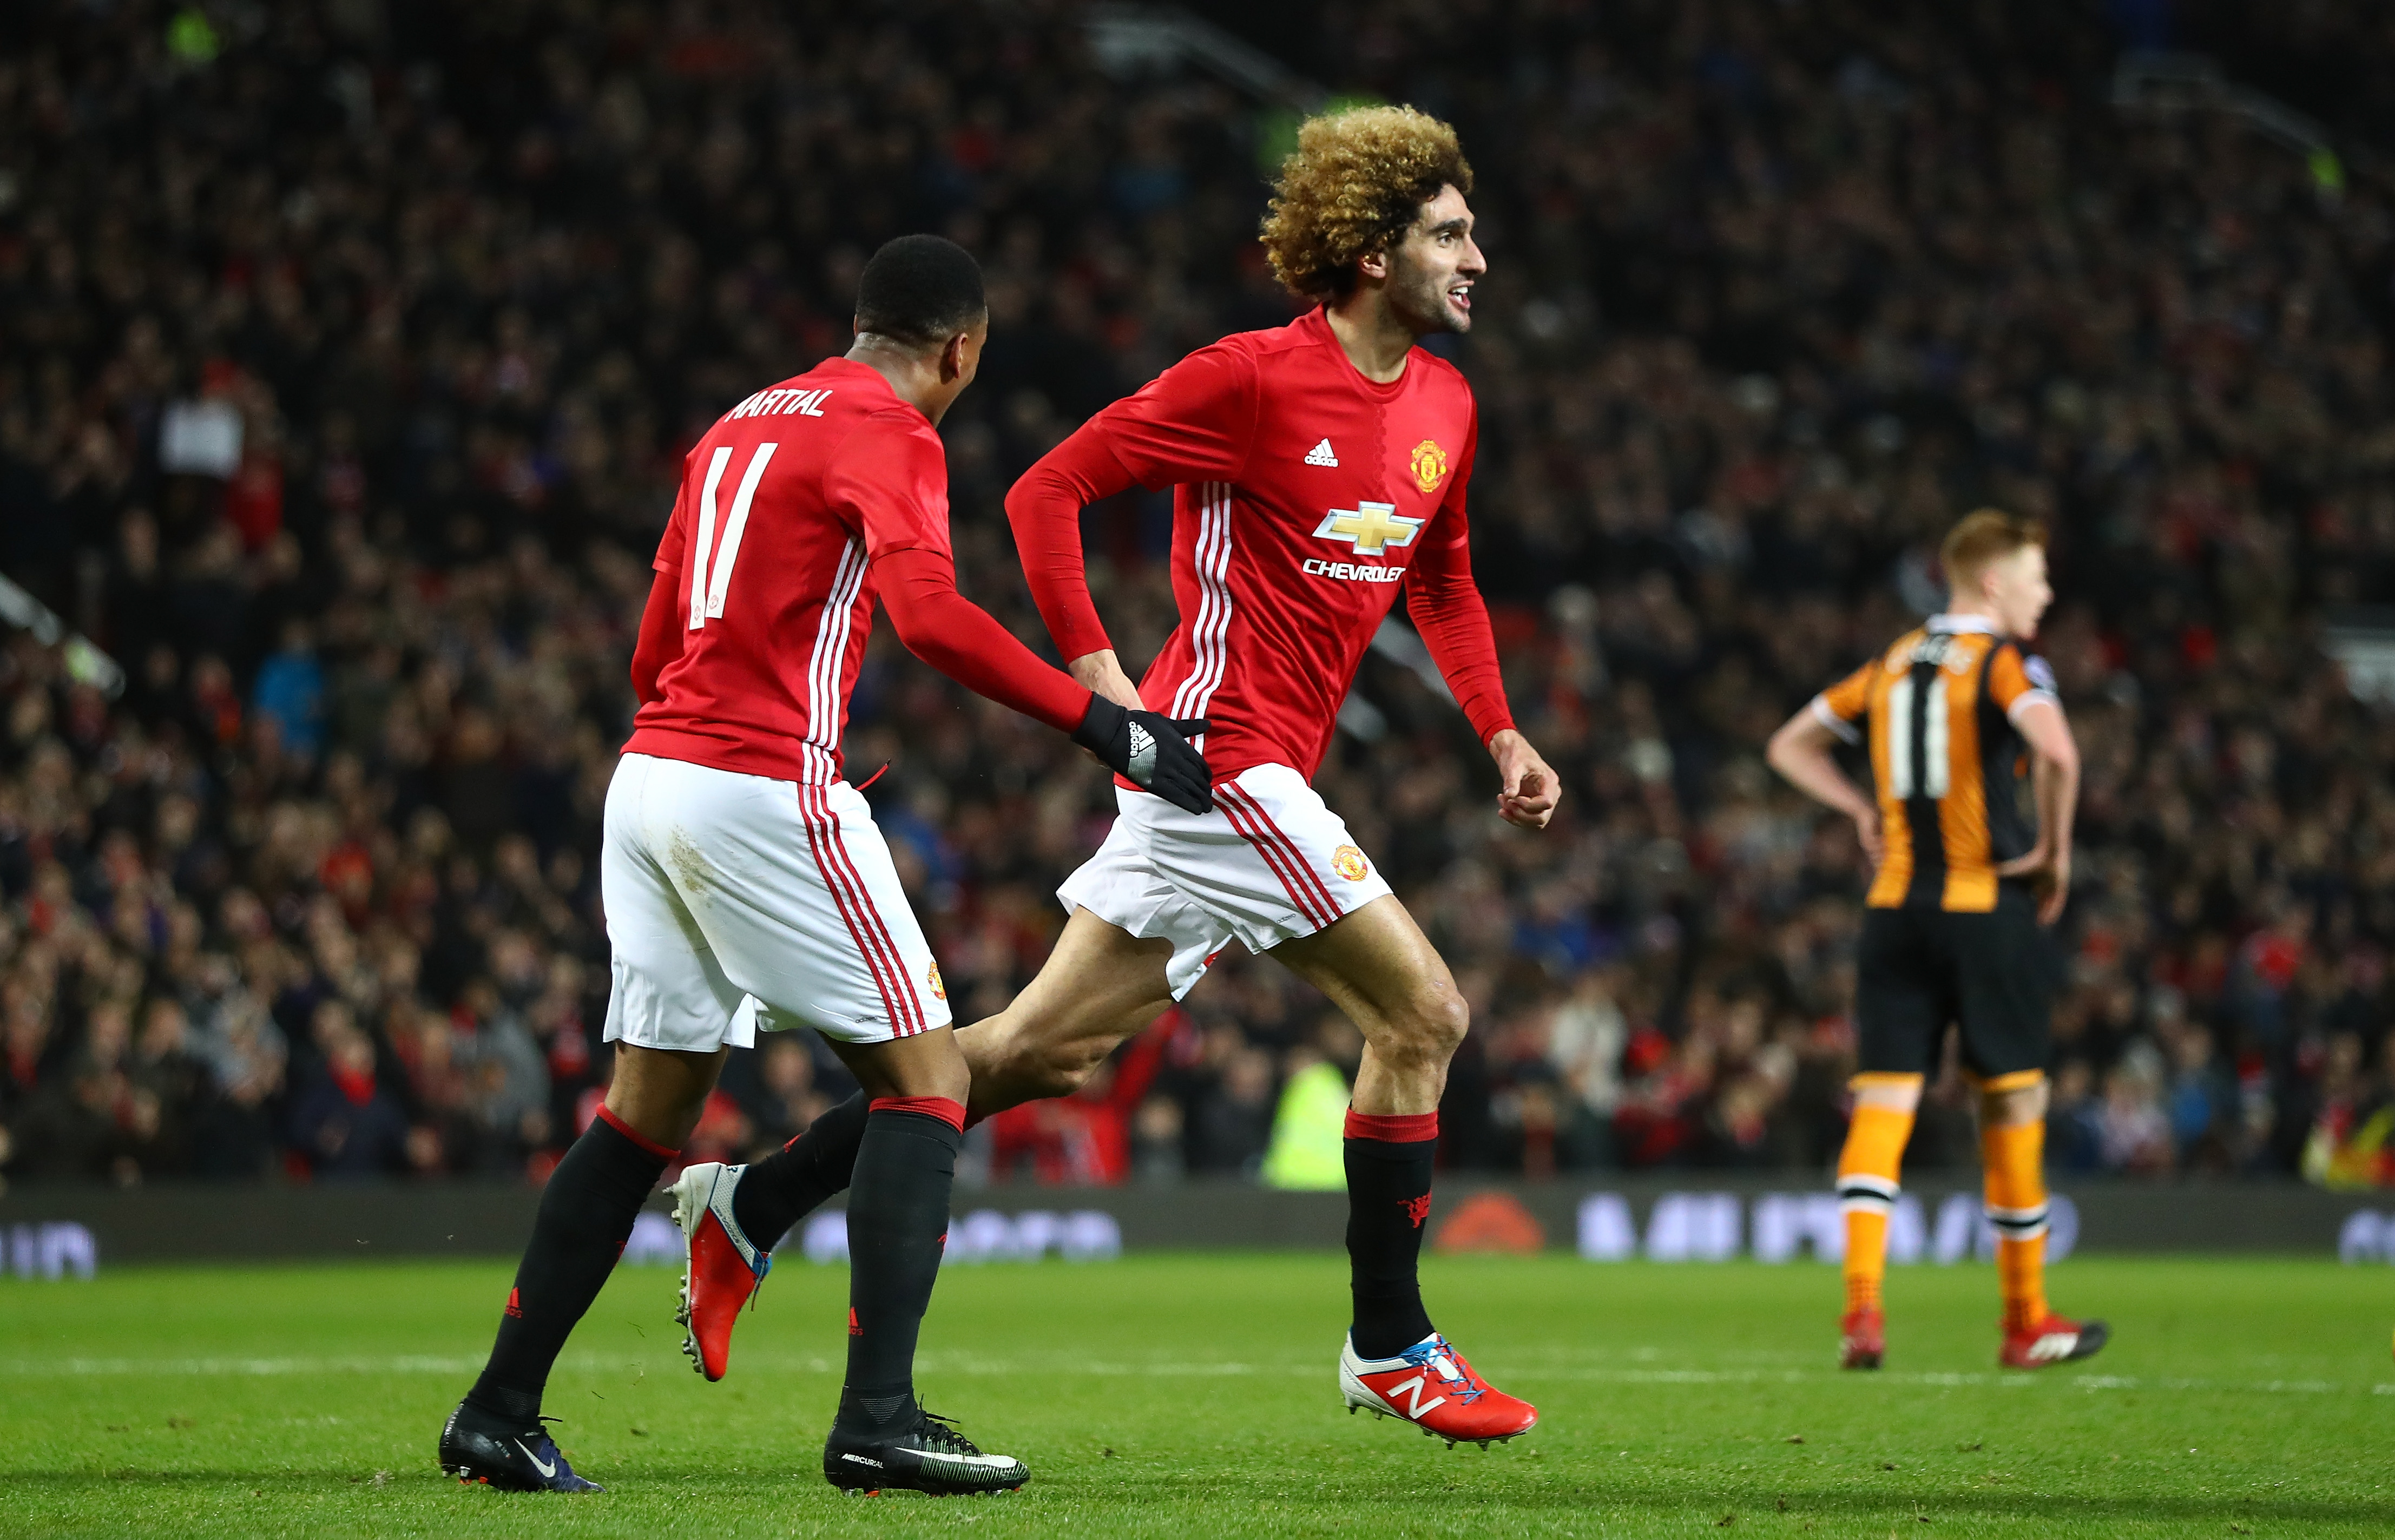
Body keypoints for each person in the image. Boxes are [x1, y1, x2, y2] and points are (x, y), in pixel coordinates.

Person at [673, 105, 1557, 1451]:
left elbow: (1440, 575)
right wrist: (1102, 684)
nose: (1476, 256)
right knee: (1423, 1014)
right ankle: (1391, 1342)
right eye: (1447, 233)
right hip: (1220, 759)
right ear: (1371, 251)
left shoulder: (1446, 403)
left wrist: (1498, 729)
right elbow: (1044, 493)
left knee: (1036, 1051)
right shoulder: (1249, 379)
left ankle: (753, 1202)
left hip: (1232, 783)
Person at [435, 234, 1212, 1496]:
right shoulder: (894, 431)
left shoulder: (735, 426)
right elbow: (930, 619)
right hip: (751, 782)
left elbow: (651, 644)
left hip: (648, 782)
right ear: (959, 347)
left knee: (646, 1113)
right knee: (927, 1082)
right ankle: (878, 1417)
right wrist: (1104, 724)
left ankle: (498, 1407)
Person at [1764, 509, 2106, 1372]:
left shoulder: (1890, 661)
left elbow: (1789, 745)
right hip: (1983, 903)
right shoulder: (2002, 662)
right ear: (1992, 581)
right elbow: (2058, 753)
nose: (2047, 593)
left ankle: (1862, 1312)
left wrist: (1856, 810)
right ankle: (2025, 1319)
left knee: (1884, 1101)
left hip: (1891, 910)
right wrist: (2055, 854)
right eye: (2036, 576)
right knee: (2012, 1099)